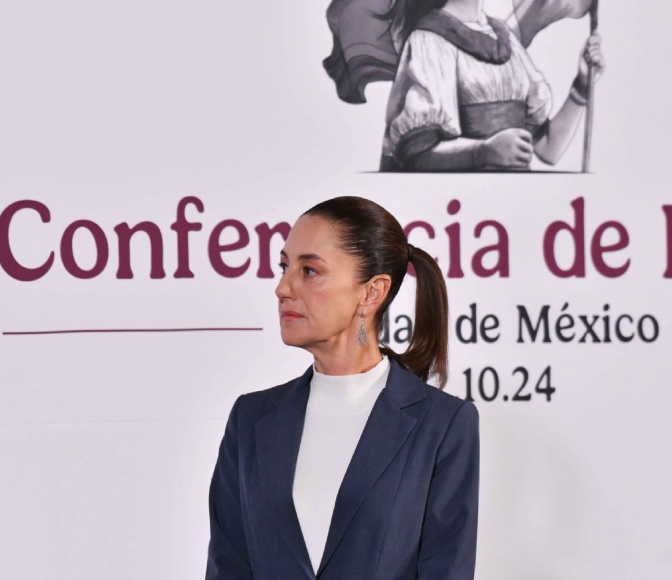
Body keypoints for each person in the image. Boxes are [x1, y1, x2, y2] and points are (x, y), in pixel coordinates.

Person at [205, 196, 480, 579]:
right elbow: (228, 567)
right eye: (284, 266)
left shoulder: (443, 425)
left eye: (310, 271)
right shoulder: (250, 419)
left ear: (371, 292)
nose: (282, 288)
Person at [379, 0, 606, 171]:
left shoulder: (505, 37)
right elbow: (417, 155)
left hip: (513, 208)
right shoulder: (429, 40)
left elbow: (548, 149)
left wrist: (582, 87)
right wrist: (483, 152)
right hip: (460, 211)